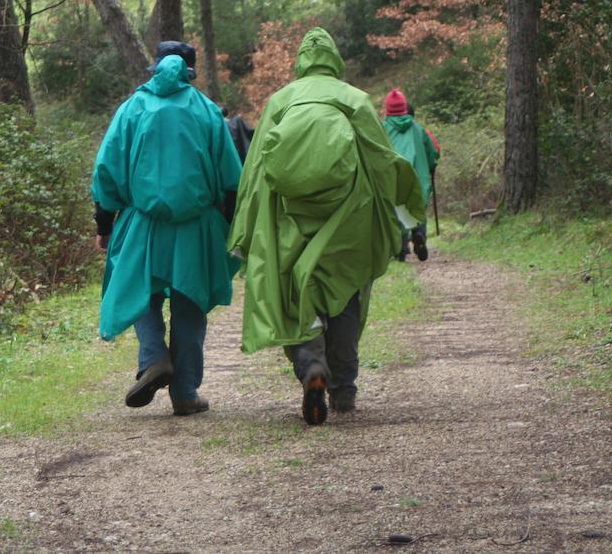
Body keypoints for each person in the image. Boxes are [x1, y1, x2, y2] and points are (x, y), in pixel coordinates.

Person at [228, 27, 424, 425]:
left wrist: (244, 226)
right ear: (334, 60)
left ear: (300, 61)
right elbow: (381, 160)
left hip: (290, 215)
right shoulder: (353, 99)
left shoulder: (280, 101)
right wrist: (399, 212)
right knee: (346, 294)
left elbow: (254, 173)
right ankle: (344, 389)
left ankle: (311, 365)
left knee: (295, 293)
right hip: (347, 216)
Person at [92, 41, 242, 416]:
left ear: (155, 67)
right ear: (191, 72)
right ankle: (185, 392)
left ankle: (154, 356)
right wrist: (230, 222)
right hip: (196, 225)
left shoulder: (132, 109)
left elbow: (106, 170)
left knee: (141, 290)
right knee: (190, 305)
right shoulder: (206, 110)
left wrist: (104, 223)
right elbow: (230, 176)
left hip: (143, 222)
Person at [383, 89, 439, 261]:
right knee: (417, 207)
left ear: (388, 109)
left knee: (396, 209)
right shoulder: (417, 128)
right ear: (404, 108)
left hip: (393, 177)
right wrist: (431, 166)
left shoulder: (382, 129)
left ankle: (401, 245)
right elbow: (432, 152)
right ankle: (419, 234)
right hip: (418, 177)